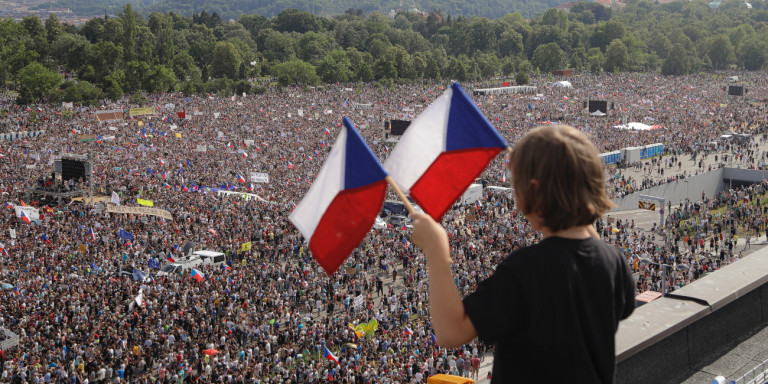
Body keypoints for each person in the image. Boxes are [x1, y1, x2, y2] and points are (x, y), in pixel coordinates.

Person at [412, 124, 636, 383]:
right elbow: (621, 308)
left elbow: (451, 332)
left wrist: (436, 251)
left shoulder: (524, 270)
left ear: (532, 189)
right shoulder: (613, 261)